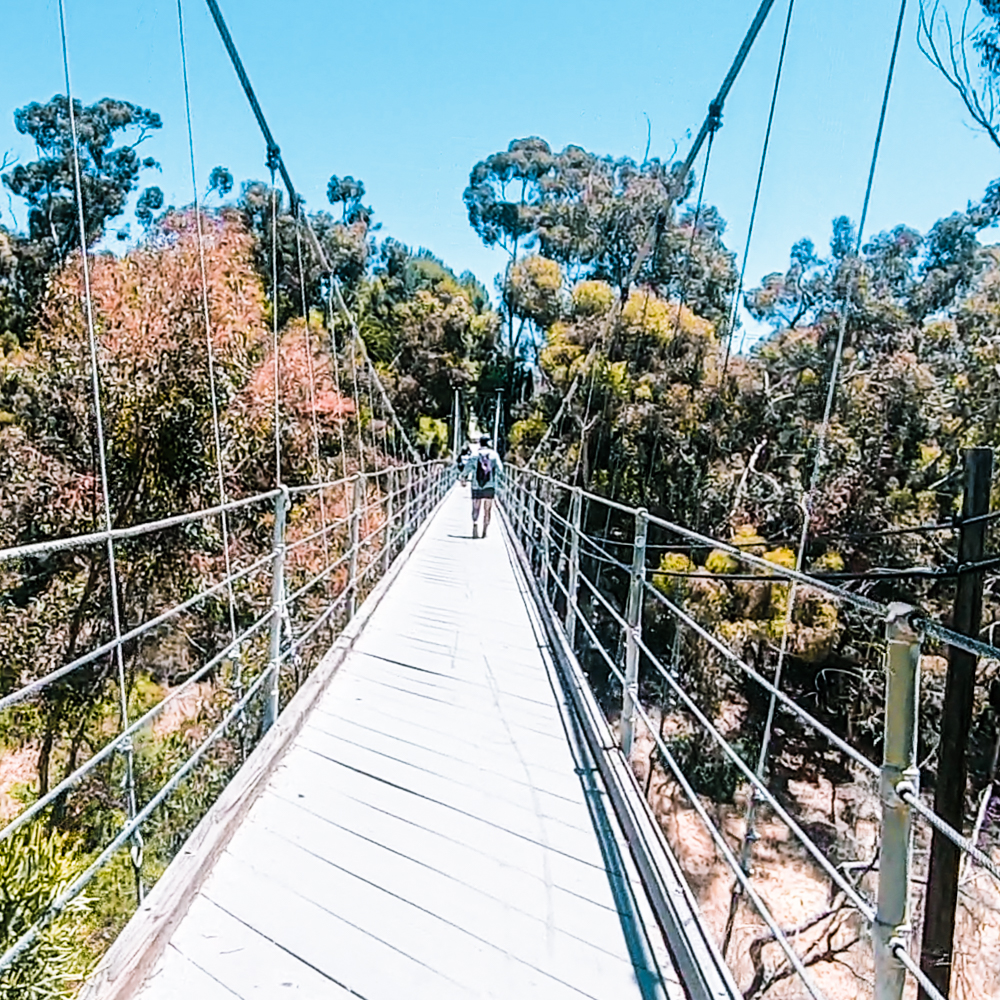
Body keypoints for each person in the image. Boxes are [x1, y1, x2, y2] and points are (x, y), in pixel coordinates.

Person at [460, 435, 502, 538]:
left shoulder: (474, 455)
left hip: (476, 484)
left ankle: (475, 525)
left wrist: (463, 478)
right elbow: (500, 470)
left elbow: (467, 469)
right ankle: (485, 531)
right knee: (487, 509)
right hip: (490, 485)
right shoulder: (494, 455)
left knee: (476, 507)